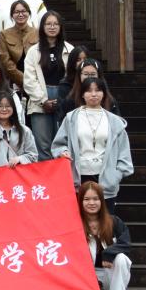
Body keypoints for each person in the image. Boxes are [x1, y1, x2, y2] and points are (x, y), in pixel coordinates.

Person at [52, 77, 133, 213]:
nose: (94, 94)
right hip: (77, 177)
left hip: (106, 178)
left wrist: (115, 176)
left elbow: (124, 154)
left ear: (104, 94)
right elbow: (58, 144)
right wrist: (63, 152)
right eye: (89, 91)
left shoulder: (115, 122)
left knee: (106, 220)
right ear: (82, 94)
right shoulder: (71, 118)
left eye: (98, 90)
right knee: (78, 220)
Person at [23, 11, 74, 160]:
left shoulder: (69, 50)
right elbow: (29, 79)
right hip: (39, 100)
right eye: (48, 24)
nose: (52, 27)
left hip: (63, 97)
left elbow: (73, 76)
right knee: (42, 146)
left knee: (63, 145)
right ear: (42, 27)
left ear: (61, 27)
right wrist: (43, 100)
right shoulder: (33, 51)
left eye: (55, 24)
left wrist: (63, 99)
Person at [80, 181, 131, 290]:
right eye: (87, 199)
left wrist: (108, 253)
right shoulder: (76, 225)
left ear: (101, 201)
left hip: (111, 272)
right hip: (87, 276)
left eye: (95, 199)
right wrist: (97, 286)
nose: (92, 203)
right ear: (80, 201)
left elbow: (125, 243)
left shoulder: (114, 221)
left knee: (121, 258)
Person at [0, 91, 40, 168]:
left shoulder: (24, 131)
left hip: (19, 174)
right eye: (0, 106)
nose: (4, 109)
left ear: (13, 108)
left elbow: (33, 156)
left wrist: (20, 159)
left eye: (8, 106)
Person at [0, 0, 38, 91]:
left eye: (23, 11)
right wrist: (24, 80)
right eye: (16, 12)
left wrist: (32, 80)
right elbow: (5, 60)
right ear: (12, 15)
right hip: (12, 81)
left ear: (29, 13)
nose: (20, 14)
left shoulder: (37, 33)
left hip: (36, 80)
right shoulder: (4, 34)